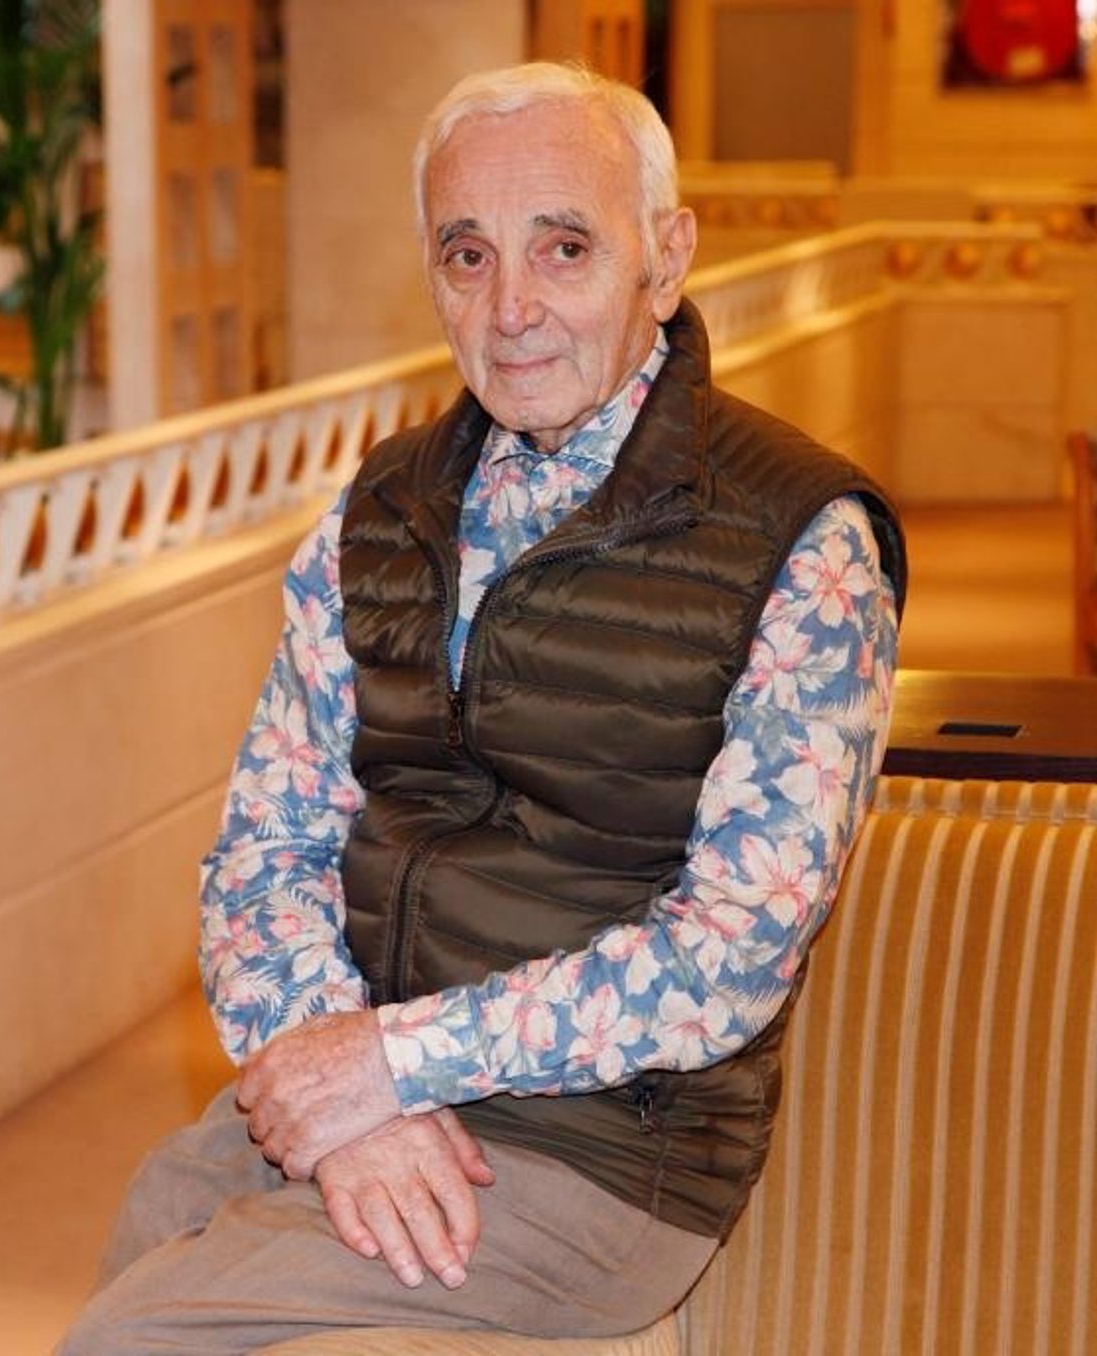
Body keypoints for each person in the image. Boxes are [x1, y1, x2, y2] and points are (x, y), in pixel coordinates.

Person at [59, 61, 905, 1353]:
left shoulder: (801, 539)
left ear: (665, 259)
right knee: (161, 1207)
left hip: (610, 1149)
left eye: (564, 248)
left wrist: (396, 1064)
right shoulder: (381, 510)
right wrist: (350, 1091)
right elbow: (266, 849)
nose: (511, 309)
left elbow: (727, 953)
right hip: (383, 1071)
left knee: (140, 1337)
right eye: (468, 255)